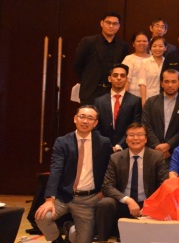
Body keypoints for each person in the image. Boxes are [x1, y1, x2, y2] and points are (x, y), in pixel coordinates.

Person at [36, 106, 113, 243]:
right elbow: (56, 169)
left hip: (88, 199)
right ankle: (58, 241)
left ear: (95, 123)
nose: (85, 121)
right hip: (64, 196)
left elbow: (110, 169)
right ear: (75, 119)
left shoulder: (103, 143)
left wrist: (103, 191)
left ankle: (70, 228)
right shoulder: (62, 142)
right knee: (42, 216)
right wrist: (49, 199)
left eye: (90, 118)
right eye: (82, 116)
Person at [95, 123, 169, 241]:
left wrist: (150, 205)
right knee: (105, 203)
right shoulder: (116, 158)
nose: (135, 138)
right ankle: (102, 239)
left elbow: (164, 185)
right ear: (126, 138)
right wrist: (128, 200)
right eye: (131, 135)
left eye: (139, 135)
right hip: (123, 203)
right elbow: (107, 186)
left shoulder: (157, 157)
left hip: (148, 203)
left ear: (146, 139)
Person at [76, 12, 129, 105]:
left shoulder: (123, 46)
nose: (111, 26)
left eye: (115, 24)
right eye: (108, 23)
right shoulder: (88, 42)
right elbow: (78, 65)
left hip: (112, 90)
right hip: (91, 91)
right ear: (101, 23)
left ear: (119, 26)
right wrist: (87, 80)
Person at [95, 64, 143, 150]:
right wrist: (106, 144)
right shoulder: (99, 101)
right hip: (103, 148)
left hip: (126, 148)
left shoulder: (135, 101)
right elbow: (95, 127)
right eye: (115, 75)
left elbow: (135, 126)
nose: (119, 78)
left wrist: (120, 145)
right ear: (109, 79)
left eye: (123, 76)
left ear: (126, 79)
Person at [143, 69, 179, 159]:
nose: (170, 85)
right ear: (161, 83)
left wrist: (169, 145)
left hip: (177, 152)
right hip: (152, 151)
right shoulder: (151, 102)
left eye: (173, 82)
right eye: (166, 82)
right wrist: (158, 146)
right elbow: (145, 125)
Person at [136, 36, 167, 102]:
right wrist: (143, 101)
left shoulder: (167, 62)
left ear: (165, 48)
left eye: (160, 46)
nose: (157, 49)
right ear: (150, 48)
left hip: (165, 99)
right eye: (154, 46)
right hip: (149, 99)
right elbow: (142, 84)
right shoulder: (145, 62)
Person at [122, 32, 151, 99]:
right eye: (138, 41)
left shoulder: (153, 59)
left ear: (148, 43)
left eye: (144, 41)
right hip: (132, 97)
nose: (142, 43)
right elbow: (125, 81)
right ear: (133, 44)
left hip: (149, 97)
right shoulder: (129, 59)